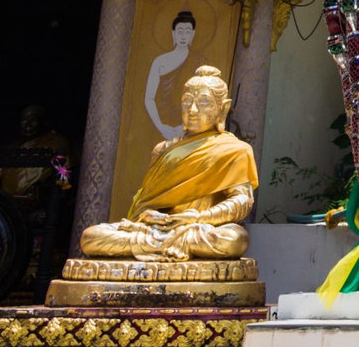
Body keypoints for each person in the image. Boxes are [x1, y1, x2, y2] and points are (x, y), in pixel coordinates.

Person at [78, 65, 254, 261]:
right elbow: (144, 203)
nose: (193, 110)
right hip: (156, 230)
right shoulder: (163, 150)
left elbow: (242, 202)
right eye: (187, 102)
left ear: (223, 108)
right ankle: (166, 248)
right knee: (90, 236)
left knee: (235, 239)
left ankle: (158, 248)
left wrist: (199, 217)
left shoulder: (235, 150)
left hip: (199, 229)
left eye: (204, 102)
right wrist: (150, 215)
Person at [143, 11, 196, 142]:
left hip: (187, 125)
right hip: (161, 122)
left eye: (187, 31)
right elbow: (149, 98)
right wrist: (161, 127)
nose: (183, 36)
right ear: (173, 33)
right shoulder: (160, 62)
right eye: (180, 31)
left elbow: (200, 100)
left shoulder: (198, 61)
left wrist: (184, 127)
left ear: (193, 34)